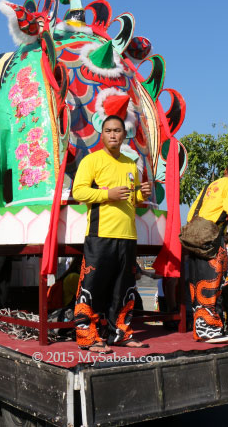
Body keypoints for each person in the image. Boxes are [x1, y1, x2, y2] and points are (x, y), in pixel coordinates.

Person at [72, 115, 151, 353]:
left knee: (124, 288)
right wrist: (108, 194)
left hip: (127, 235)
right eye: (108, 131)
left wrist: (142, 195)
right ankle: (88, 337)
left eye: (117, 131)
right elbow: (79, 192)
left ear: (124, 135)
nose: (113, 135)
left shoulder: (130, 163)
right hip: (100, 233)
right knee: (93, 287)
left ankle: (121, 334)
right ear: (102, 134)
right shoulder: (91, 160)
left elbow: (133, 200)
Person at [187, 157, 228, 343]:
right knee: (212, 281)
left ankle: (200, 329)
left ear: (225, 170)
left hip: (195, 237)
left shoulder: (211, 185)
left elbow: (192, 212)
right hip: (212, 240)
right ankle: (210, 329)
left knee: (197, 282)